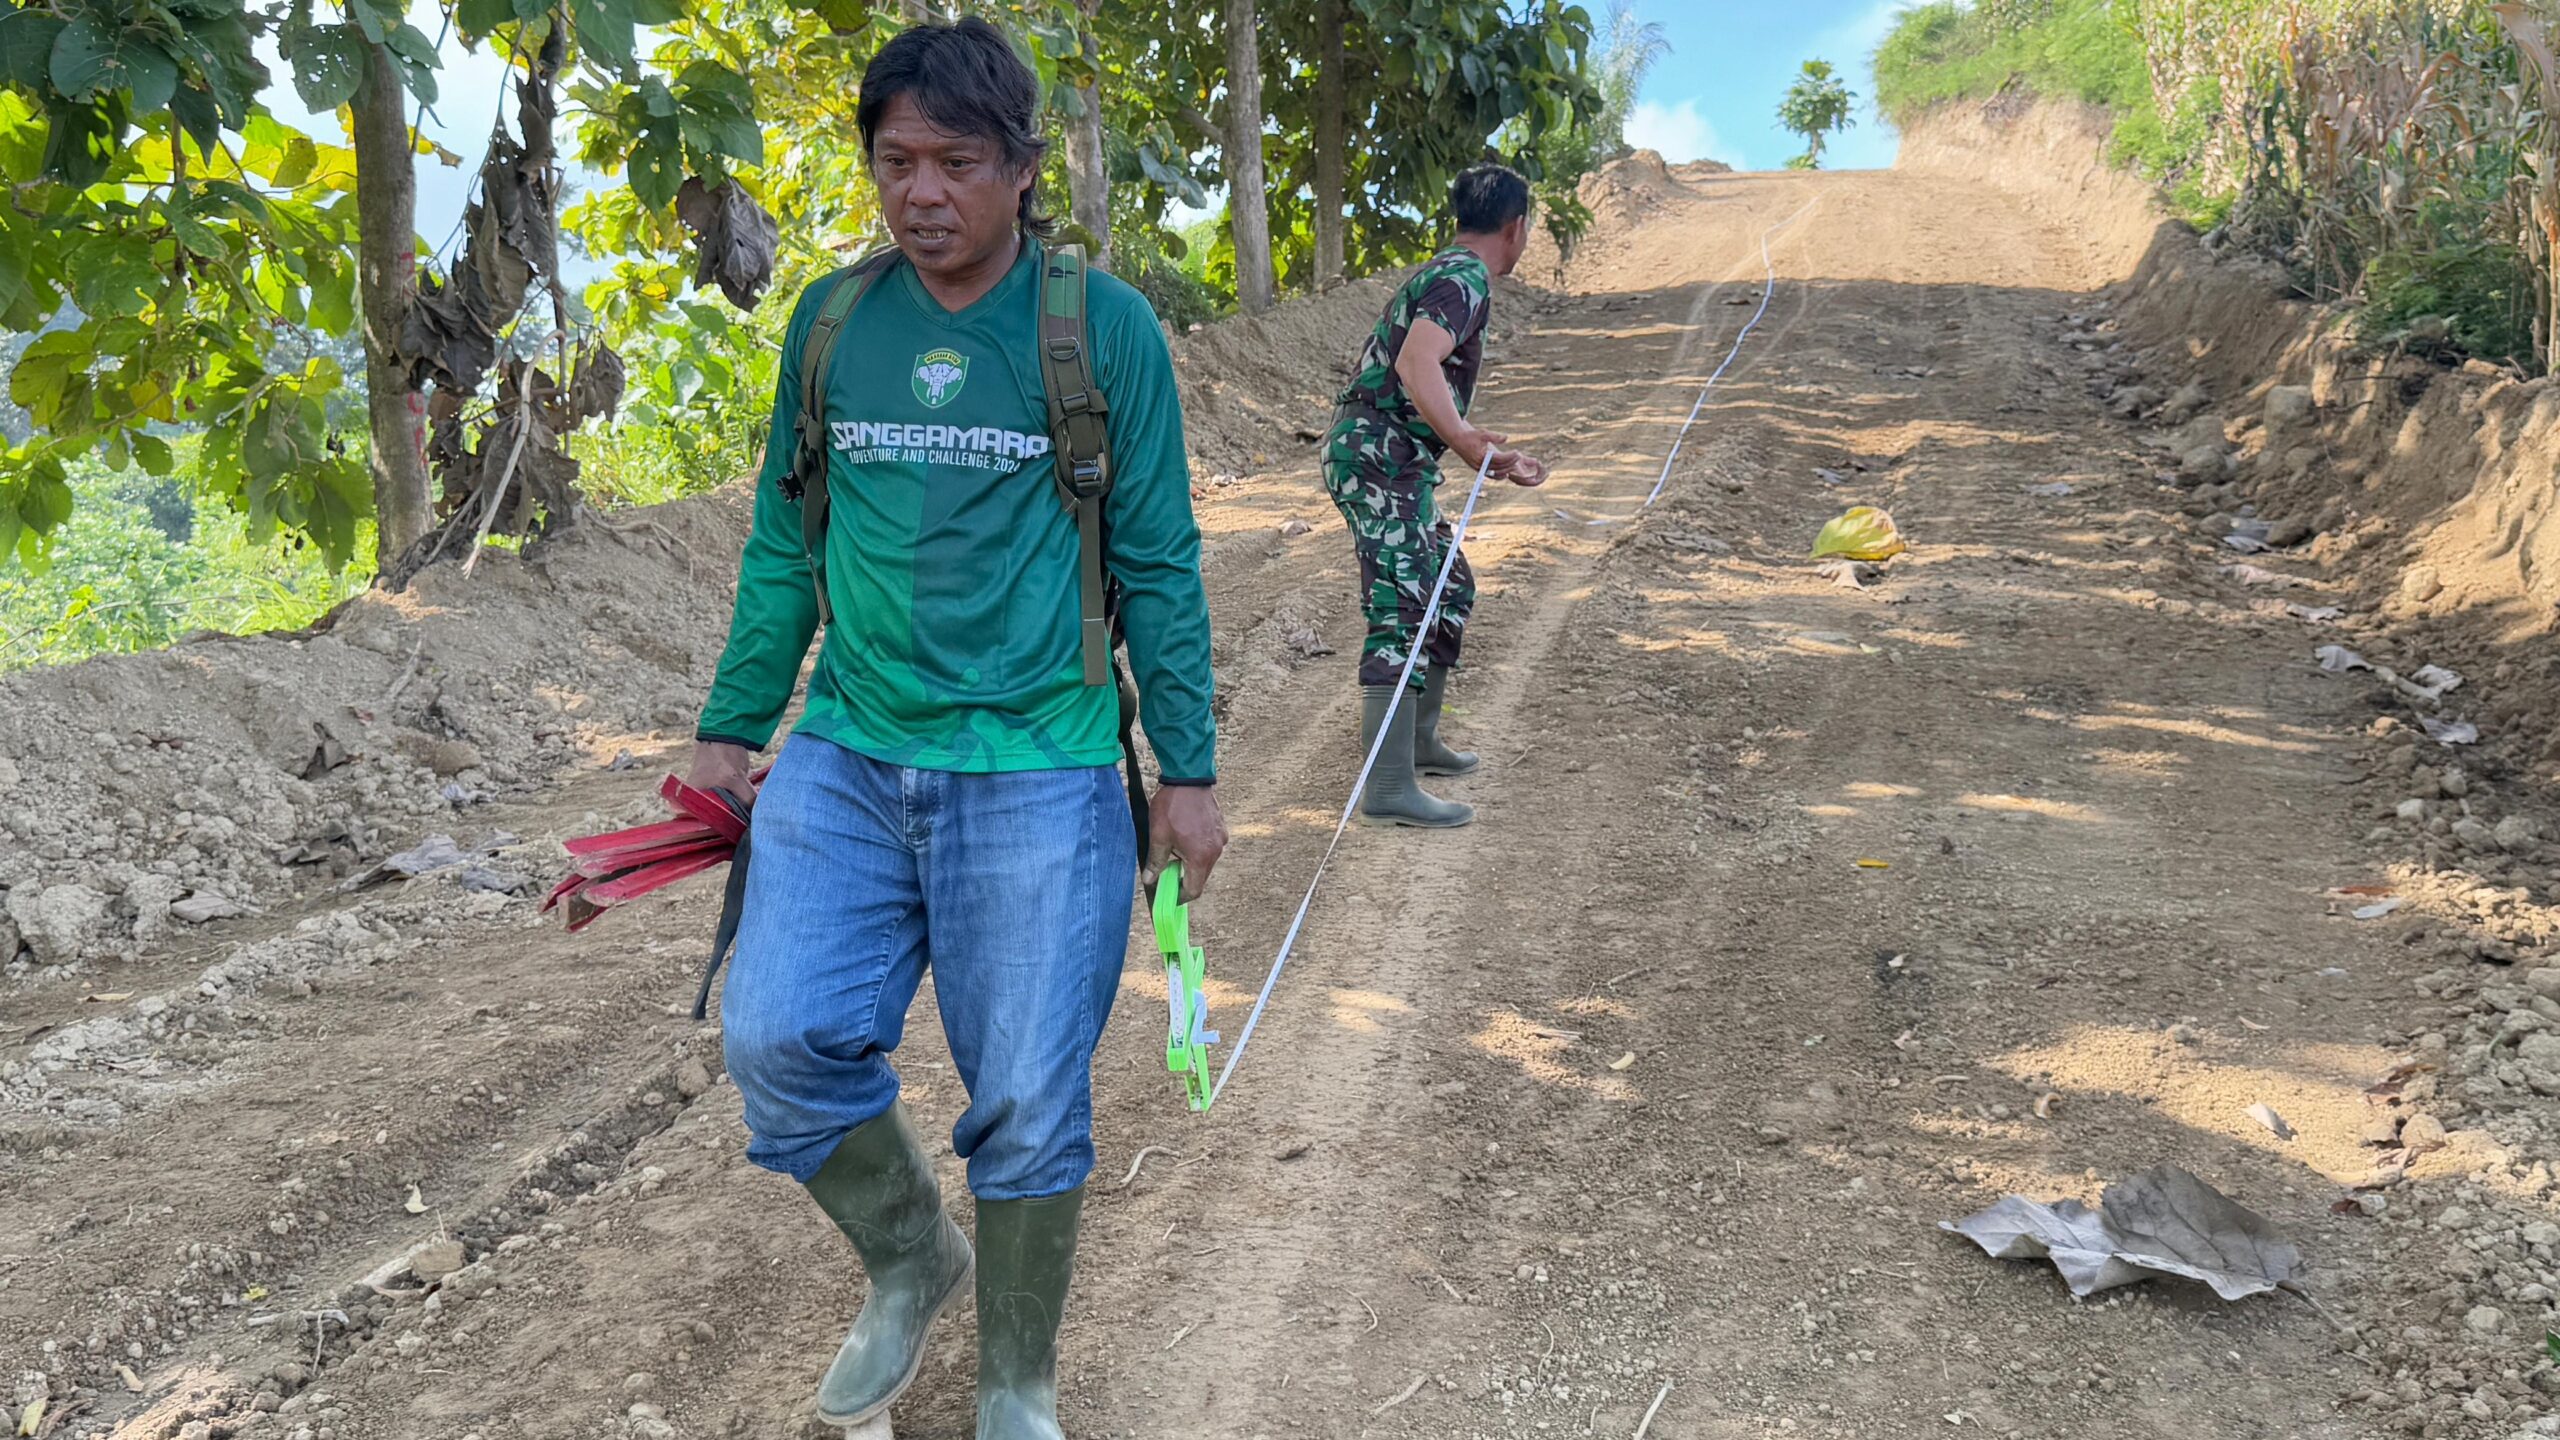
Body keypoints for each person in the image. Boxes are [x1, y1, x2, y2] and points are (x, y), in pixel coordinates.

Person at [681, 19, 1225, 1438]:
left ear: (1023, 171)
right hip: (851, 754)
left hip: (1041, 766)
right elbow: (784, 543)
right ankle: (915, 1259)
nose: (921, 192)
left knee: (1032, 1100)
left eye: (956, 162)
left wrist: (1190, 773)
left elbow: (1160, 560)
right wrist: (734, 728)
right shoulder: (834, 323)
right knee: (781, 1037)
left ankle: (1016, 1384)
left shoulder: (1102, 328)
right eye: (895, 160)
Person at [1321, 162, 1548, 829]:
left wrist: (1478, 444)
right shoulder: (1464, 278)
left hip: (1391, 454)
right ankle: (1388, 787)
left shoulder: (1448, 272)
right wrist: (1470, 443)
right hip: (1376, 456)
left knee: (1449, 587)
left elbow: (1424, 384)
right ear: (1517, 226)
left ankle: (1417, 742)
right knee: (1406, 604)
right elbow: (1416, 364)